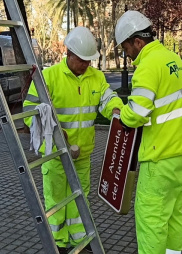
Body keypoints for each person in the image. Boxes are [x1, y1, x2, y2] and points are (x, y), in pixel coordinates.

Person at [23, 26, 124, 254]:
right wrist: (55, 131)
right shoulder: (48, 77)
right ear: (68, 54)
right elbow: (29, 110)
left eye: (89, 60)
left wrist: (117, 110)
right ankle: (59, 244)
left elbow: (108, 99)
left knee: (80, 199)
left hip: (83, 154)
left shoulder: (96, 77)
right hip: (55, 153)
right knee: (57, 200)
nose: (87, 64)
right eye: (82, 60)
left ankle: (81, 241)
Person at [114, 10, 182, 254]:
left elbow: (137, 114)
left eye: (126, 48)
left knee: (151, 221)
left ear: (138, 42)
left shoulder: (148, 66)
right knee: (173, 215)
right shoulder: (171, 58)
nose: (126, 54)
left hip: (159, 157)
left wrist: (122, 114)